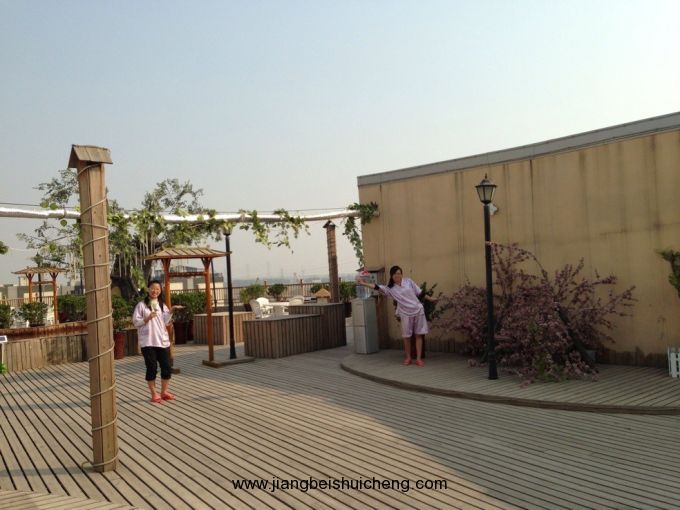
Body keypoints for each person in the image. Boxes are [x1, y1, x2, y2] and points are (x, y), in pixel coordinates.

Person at [357, 266, 437, 367]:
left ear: (401, 274)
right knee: (406, 336)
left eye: (399, 273)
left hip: (418, 311)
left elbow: (420, 293)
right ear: (391, 275)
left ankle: (418, 359)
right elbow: (377, 287)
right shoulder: (390, 288)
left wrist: (431, 299)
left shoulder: (408, 281)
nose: (397, 275)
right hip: (405, 313)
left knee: (418, 335)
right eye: (395, 274)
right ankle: (408, 358)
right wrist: (363, 283)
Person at [132, 280, 180, 403]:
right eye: (153, 288)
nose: (155, 291)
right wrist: (147, 318)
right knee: (152, 367)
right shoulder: (141, 305)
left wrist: (171, 311)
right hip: (148, 342)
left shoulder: (162, 305)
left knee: (166, 367)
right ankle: (154, 394)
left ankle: (164, 392)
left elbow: (166, 321)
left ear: (160, 291)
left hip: (162, 341)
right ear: (148, 289)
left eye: (158, 289)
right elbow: (136, 322)